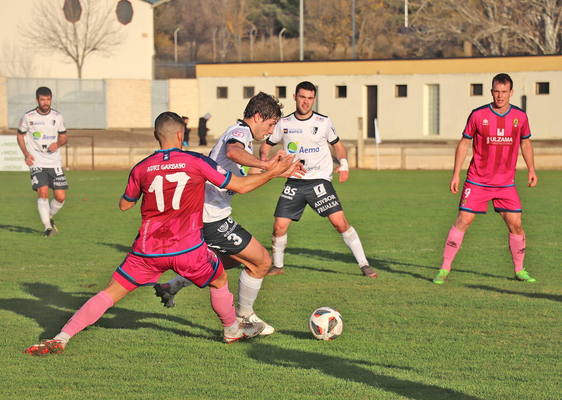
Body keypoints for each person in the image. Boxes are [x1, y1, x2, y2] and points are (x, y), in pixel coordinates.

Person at [24, 112, 298, 355]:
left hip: (147, 250)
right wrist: (273, 172)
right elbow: (239, 185)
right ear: (181, 134)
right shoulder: (196, 161)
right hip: (188, 249)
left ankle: (62, 337)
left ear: (157, 136)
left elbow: (124, 205)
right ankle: (231, 329)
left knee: (109, 294)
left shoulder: (141, 167)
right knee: (219, 280)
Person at [154, 92, 304, 336]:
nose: (270, 131)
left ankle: (174, 285)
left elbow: (243, 183)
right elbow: (234, 152)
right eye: (271, 124)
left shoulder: (241, 135)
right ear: (257, 116)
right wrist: (268, 166)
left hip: (209, 214)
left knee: (233, 260)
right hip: (211, 217)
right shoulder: (240, 133)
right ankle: (244, 318)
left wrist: (277, 172)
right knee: (262, 261)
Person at [259, 81, 378, 278]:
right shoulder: (284, 123)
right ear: (295, 97)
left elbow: (338, 146)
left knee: (339, 223)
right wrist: (266, 163)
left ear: (314, 99)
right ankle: (278, 266)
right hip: (295, 180)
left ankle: (364, 265)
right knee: (279, 226)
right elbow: (265, 147)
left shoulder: (323, 122)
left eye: (310, 98)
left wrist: (345, 165)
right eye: (302, 97)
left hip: (319, 180)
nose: (305, 102)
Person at [433, 73, 538, 285]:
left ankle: (519, 270)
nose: (500, 96)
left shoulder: (520, 117)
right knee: (463, 220)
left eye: (504, 92)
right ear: (492, 92)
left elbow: (525, 143)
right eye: (496, 92)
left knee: (516, 224)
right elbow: (464, 143)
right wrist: (456, 173)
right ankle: (444, 269)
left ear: (511, 93)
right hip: (477, 180)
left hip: (505, 182)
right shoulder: (478, 115)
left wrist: (531, 169)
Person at [16, 86, 68, 237]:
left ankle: (49, 216)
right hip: (37, 161)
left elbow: (64, 137)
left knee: (60, 197)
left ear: (51, 99)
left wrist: (57, 144)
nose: (46, 102)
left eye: (48, 99)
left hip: (54, 162)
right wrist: (26, 154)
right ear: (37, 100)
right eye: (42, 99)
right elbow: (20, 135)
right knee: (43, 191)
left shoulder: (57, 117)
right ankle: (48, 228)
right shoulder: (28, 117)